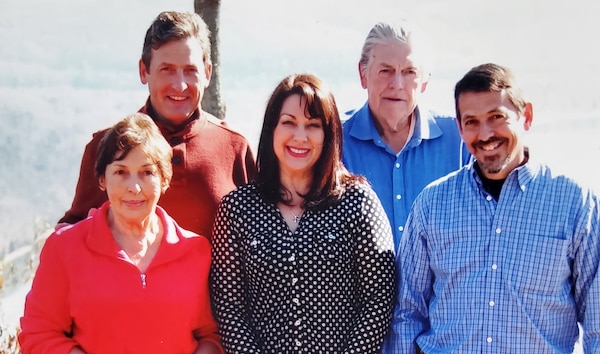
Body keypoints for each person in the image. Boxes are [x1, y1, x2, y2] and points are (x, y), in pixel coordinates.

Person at [383, 63, 600, 353]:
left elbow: (597, 324)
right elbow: (407, 312)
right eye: (471, 121)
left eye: (496, 117)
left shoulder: (575, 203)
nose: (485, 134)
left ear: (527, 117)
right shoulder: (432, 204)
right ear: (460, 128)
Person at [210, 73, 396, 353]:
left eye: (313, 125)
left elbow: (379, 298)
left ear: (328, 133)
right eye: (289, 123)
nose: (300, 136)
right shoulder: (237, 209)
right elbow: (230, 308)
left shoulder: (359, 202)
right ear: (272, 128)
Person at [19, 113, 224, 354]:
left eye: (147, 172)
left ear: (164, 179)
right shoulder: (64, 247)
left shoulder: (196, 251)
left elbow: (213, 334)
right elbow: (38, 333)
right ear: (102, 179)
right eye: (120, 172)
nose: (134, 187)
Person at [57, 11, 256, 238]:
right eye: (167, 70)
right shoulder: (107, 145)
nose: (179, 85)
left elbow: (260, 235)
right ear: (144, 71)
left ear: (207, 73)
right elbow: (73, 235)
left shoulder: (234, 148)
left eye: (190, 71)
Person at [342, 20, 470, 250]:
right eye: (385, 71)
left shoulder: (461, 140)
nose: (397, 84)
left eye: (409, 72)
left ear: (424, 82)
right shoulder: (333, 140)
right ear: (363, 74)